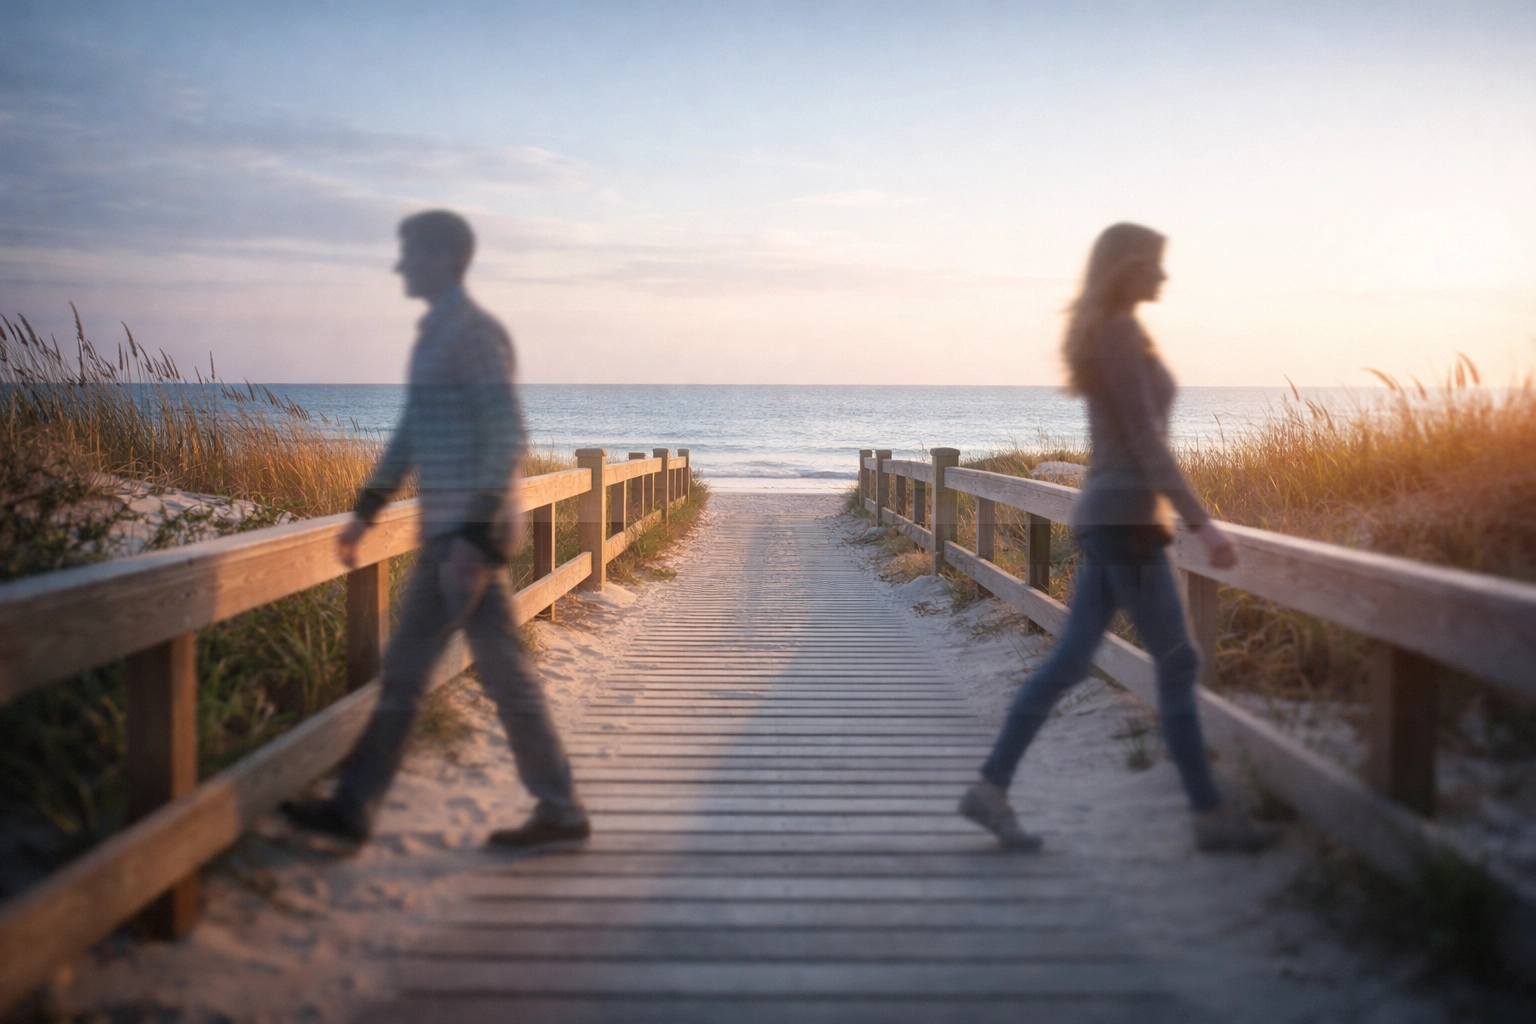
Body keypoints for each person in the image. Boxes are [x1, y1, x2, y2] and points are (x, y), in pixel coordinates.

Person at [958, 223, 1280, 853]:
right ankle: (1210, 815)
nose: (1163, 275)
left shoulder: (1112, 331)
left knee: (1072, 659)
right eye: (1154, 263)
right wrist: (1201, 522)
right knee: (1176, 663)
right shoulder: (1120, 332)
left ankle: (991, 788)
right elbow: (1144, 440)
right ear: (1126, 268)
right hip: (1128, 521)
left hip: (1112, 517)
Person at [282, 210, 589, 849]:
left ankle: (361, 806)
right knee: (438, 673)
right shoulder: (437, 334)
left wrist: (474, 542)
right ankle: (359, 806)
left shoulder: (471, 333)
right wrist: (367, 510)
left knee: (462, 675)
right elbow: (412, 431)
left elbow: (506, 434)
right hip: (450, 535)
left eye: (412, 252)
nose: (400, 265)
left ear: (447, 257)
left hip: (465, 540)